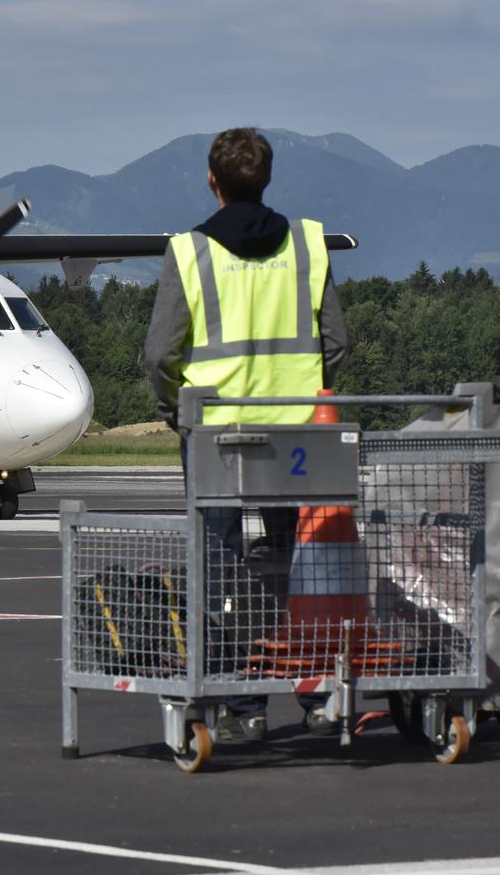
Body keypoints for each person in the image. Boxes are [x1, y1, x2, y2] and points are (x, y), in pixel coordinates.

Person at [145, 127, 348, 742]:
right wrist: (304, 387)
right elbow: (336, 342)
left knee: (221, 560)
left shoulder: (190, 252)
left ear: (213, 181)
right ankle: (311, 690)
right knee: (297, 561)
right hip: (294, 433)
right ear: (267, 178)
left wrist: (177, 404)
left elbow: (159, 353)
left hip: (216, 430)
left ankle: (244, 696)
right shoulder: (311, 244)